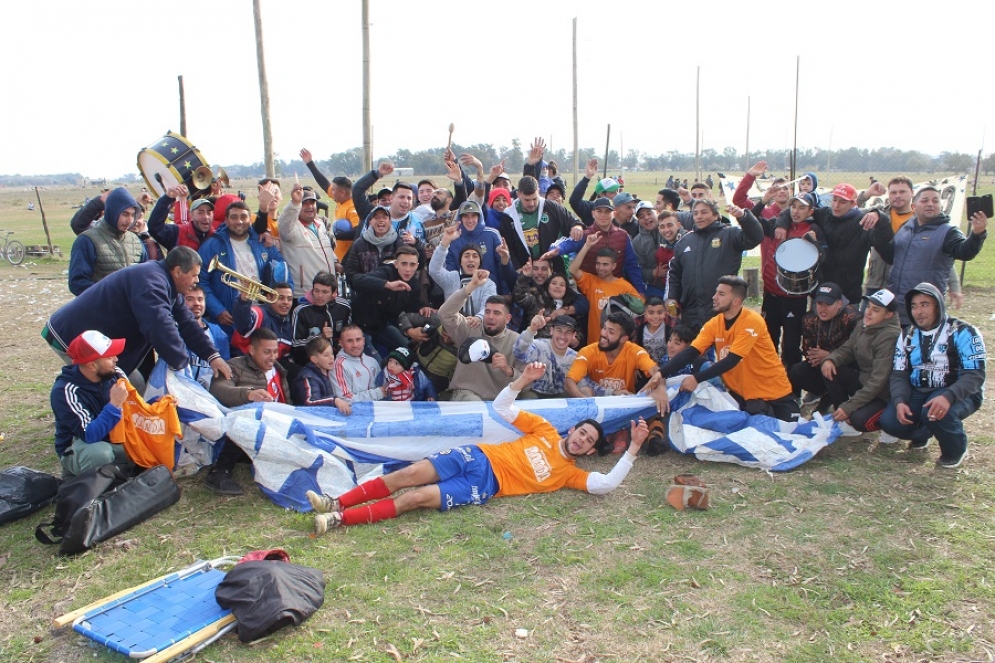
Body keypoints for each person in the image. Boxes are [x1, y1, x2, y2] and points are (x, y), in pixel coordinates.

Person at [307, 361, 649, 532]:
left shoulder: (568, 475)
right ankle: (334, 500)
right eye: (581, 433)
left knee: (414, 498)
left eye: (588, 442)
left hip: (485, 485)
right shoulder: (544, 429)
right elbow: (501, 408)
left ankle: (339, 519)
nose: (580, 439)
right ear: (572, 429)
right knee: (409, 474)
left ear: (589, 452)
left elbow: (605, 485)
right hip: (479, 454)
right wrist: (523, 380)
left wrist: (633, 449)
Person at [44, 246, 231, 392]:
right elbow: (160, 327)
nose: (196, 281)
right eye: (194, 275)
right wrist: (182, 366)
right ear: (177, 271)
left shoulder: (167, 285)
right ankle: (86, 432)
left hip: (98, 339)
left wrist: (212, 356)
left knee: (133, 384)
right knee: (103, 386)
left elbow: (187, 323)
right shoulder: (151, 283)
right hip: (69, 334)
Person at [649, 276, 799, 421]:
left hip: (775, 393)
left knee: (793, 434)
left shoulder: (752, 321)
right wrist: (661, 373)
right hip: (744, 396)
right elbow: (692, 351)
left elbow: (732, 360)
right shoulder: (714, 323)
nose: (714, 297)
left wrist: (696, 378)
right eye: (716, 292)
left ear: (736, 301)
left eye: (721, 294)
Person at [880, 283, 986, 468]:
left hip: (957, 390)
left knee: (935, 412)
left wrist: (948, 396)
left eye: (924, 304)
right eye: (914, 306)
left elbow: (975, 374)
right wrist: (900, 400)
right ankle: (922, 434)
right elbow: (899, 373)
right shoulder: (906, 335)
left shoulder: (963, 331)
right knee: (889, 421)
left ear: (938, 305)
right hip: (920, 389)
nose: (918, 311)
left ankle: (955, 450)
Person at [875, 186, 987, 325]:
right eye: (925, 200)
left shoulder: (948, 232)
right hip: (898, 306)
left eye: (935, 201)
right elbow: (890, 256)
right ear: (914, 206)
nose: (930, 204)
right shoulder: (906, 228)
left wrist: (977, 234)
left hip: (925, 308)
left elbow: (965, 252)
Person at [774, 183, 892, 305]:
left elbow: (885, 246)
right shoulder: (825, 214)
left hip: (848, 294)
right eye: (834, 200)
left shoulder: (863, 223)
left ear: (852, 204)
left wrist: (880, 216)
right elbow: (798, 210)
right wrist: (781, 224)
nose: (836, 205)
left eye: (842, 202)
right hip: (822, 292)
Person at [207, 328, 290, 494]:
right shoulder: (234, 366)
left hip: (277, 429)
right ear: (252, 350)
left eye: (275, 351)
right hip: (245, 431)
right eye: (267, 352)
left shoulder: (280, 369)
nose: (273, 357)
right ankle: (220, 472)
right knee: (246, 419)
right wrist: (249, 394)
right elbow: (219, 389)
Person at [665, 201, 763, 330]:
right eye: (695, 213)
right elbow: (675, 273)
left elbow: (756, 237)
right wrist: (672, 297)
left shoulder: (729, 234)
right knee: (694, 348)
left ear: (716, 215)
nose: (699, 216)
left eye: (704, 212)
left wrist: (743, 216)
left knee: (722, 349)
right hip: (691, 312)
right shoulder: (685, 241)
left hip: (722, 310)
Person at [198, 200, 291, 332]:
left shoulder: (263, 241)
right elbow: (201, 281)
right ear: (226, 220)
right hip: (229, 317)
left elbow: (284, 271)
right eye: (234, 217)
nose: (239, 221)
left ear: (250, 219)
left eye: (243, 217)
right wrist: (217, 310)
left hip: (262, 316)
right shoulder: (212, 245)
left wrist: (283, 298)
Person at [819, 289, 902, 435]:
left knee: (859, 420)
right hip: (865, 382)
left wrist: (850, 407)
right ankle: (844, 417)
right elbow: (847, 349)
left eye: (875, 310)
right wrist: (831, 359)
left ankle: (889, 424)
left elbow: (878, 381)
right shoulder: (864, 324)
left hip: (884, 393)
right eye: (868, 306)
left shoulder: (890, 336)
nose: (868, 312)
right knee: (831, 369)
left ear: (888, 315)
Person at [50, 331, 131, 477]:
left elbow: (134, 408)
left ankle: (119, 473)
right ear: (92, 365)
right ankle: (85, 483)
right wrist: (114, 404)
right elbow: (89, 435)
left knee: (153, 441)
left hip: (115, 439)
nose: (116, 359)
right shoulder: (64, 391)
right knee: (100, 454)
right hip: (82, 446)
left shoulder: (115, 374)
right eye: (109, 357)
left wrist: (155, 405)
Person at [439, 270, 521, 401]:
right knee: (474, 403)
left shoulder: (517, 341)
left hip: (500, 401)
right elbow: (445, 314)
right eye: (487, 311)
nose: (490, 317)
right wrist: (471, 286)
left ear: (508, 318)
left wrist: (508, 370)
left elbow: (527, 382)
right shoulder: (470, 328)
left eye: (496, 313)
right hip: (466, 395)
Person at [543, 197, 647, 294]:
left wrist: (640, 291)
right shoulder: (585, 235)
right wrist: (556, 249)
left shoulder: (623, 236)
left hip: (615, 291)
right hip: (589, 290)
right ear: (593, 213)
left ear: (614, 214)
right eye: (599, 211)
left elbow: (632, 265)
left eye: (607, 211)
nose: (603, 215)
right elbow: (566, 243)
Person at [787, 282, 861, 407]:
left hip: (847, 367)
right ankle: (822, 393)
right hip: (820, 365)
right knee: (796, 371)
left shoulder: (853, 319)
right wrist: (818, 357)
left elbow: (858, 353)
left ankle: (840, 406)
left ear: (839, 304)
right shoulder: (809, 319)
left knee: (832, 369)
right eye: (820, 304)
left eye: (828, 304)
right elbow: (809, 351)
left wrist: (829, 356)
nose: (822, 309)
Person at [68, 187, 147, 295]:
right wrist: (109, 296)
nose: (129, 220)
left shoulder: (136, 241)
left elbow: (146, 277)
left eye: (133, 215)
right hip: (99, 309)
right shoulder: (87, 241)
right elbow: (77, 283)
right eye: (125, 214)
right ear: (113, 211)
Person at [569, 234, 642, 348]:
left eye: (605, 264)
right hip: (594, 344)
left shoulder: (625, 287)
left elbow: (640, 311)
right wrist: (587, 245)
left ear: (614, 266)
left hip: (616, 347)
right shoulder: (591, 281)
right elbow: (572, 269)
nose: (600, 268)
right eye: (598, 264)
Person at [351, 245, 428, 351]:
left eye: (412, 265)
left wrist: (423, 307)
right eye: (404, 264)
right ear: (396, 264)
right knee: (374, 361)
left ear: (417, 266)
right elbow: (356, 280)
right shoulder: (385, 272)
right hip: (361, 326)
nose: (408, 269)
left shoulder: (414, 284)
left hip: (383, 326)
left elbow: (411, 308)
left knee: (408, 351)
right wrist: (387, 285)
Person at [565, 311, 659, 397]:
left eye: (611, 332)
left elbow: (656, 371)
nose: (604, 334)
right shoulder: (588, 351)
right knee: (585, 391)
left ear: (623, 339)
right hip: (597, 405)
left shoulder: (635, 352)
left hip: (624, 404)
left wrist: (661, 389)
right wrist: (588, 404)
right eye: (604, 328)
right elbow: (569, 382)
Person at [498, 176, 579, 269]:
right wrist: (517, 268)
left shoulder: (551, 206)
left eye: (534, 199)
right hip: (525, 270)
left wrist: (577, 227)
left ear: (538, 191)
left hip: (552, 269)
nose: (531, 203)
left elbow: (572, 222)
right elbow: (508, 246)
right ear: (518, 194)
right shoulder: (509, 216)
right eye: (527, 200)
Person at [300, 148, 361, 261]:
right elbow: (324, 183)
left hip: (348, 259)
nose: (330, 192)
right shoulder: (340, 200)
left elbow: (357, 232)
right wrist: (310, 163)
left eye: (333, 190)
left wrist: (333, 235)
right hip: (337, 257)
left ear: (342, 192)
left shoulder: (353, 207)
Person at [443, 201, 517, 294]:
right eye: (466, 216)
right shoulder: (454, 238)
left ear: (479, 217)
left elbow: (501, 266)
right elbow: (450, 268)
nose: (470, 220)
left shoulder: (492, 235)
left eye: (473, 216)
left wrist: (505, 292)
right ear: (460, 218)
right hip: (463, 293)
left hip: (491, 291)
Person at [278, 184, 337, 299]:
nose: (309, 206)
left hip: (327, 293)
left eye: (312, 203)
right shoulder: (291, 228)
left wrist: (334, 261)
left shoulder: (320, 224)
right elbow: (284, 223)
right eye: (304, 203)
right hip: (304, 295)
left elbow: (325, 250)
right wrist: (294, 202)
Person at [430, 225, 496, 325]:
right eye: (466, 256)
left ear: (480, 262)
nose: (471, 259)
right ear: (460, 262)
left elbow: (488, 306)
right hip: (451, 328)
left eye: (475, 256)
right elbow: (434, 270)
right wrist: (444, 243)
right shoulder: (452, 278)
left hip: (477, 328)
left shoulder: (488, 284)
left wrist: (479, 318)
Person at [342, 206, 424, 282]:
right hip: (366, 292)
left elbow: (417, 264)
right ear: (370, 222)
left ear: (390, 222)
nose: (381, 220)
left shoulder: (400, 242)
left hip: (394, 293)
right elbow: (351, 273)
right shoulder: (359, 244)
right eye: (376, 217)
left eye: (384, 217)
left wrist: (417, 243)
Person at [512, 312, 580, 398]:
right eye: (559, 330)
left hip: (561, 396)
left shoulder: (575, 357)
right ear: (551, 331)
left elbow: (585, 384)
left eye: (568, 332)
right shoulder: (539, 346)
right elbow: (518, 353)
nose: (563, 336)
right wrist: (532, 329)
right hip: (535, 392)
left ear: (574, 335)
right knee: (529, 397)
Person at [351, 162, 423, 242]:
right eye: (401, 197)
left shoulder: (416, 223)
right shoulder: (371, 213)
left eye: (409, 198)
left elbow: (421, 250)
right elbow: (357, 190)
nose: (406, 201)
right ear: (393, 197)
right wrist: (377, 174)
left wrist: (416, 244)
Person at [290, 271, 350, 366]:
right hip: (310, 364)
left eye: (325, 292)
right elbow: (295, 345)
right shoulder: (301, 311)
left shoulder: (344, 307)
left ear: (334, 293)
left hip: (340, 361)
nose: (319, 295)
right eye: (316, 290)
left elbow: (348, 333)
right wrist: (319, 337)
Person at [183, 285, 231, 389]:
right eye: (190, 299)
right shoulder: (174, 330)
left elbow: (225, 365)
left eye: (200, 299)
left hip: (209, 394)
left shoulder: (218, 333)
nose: (196, 303)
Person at [291, 336, 351, 412]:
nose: (331, 357)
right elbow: (309, 403)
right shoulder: (308, 377)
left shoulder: (328, 371)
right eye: (326, 355)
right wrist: (334, 401)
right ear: (314, 359)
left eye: (332, 353)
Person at [146, 185, 215, 251]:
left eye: (209, 213)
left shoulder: (217, 237)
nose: (206, 217)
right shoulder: (178, 233)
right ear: (191, 216)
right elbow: (155, 227)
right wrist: (167, 199)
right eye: (200, 212)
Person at [331, 325, 386, 403]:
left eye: (358, 339)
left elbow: (383, 387)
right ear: (341, 343)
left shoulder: (372, 361)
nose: (355, 345)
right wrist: (376, 394)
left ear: (364, 341)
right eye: (349, 341)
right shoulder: (339, 365)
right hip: (354, 413)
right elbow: (344, 399)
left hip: (377, 411)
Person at [569, 158, 620, 226]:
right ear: (601, 194)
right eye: (612, 192)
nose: (617, 194)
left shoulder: (620, 209)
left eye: (617, 191)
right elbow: (574, 201)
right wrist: (587, 177)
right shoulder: (590, 208)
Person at [633, 296, 668, 363]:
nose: (655, 316)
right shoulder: (637, 326)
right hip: (645, 366)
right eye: (651, 313)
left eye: (660, 313)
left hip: (667, 367)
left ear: (665, 312)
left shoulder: (672, 326)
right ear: (645, 314)